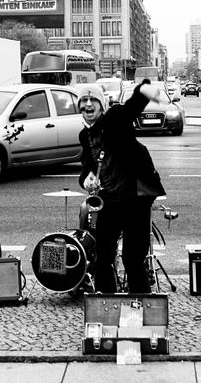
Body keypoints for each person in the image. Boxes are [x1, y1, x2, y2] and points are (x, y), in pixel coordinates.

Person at [78, 79, 167, 294]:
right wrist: (87, 179)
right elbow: (86, 167)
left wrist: (144, 89)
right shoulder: (85, 135)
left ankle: (141, 306)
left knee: (133, 259)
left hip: (136, 198)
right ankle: (106, 304)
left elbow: (132, 107)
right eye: (84, 101)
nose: (88, 105)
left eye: (93, 100)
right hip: (110, 200)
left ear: (101, 105)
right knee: (103, 256)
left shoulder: (114, 119)